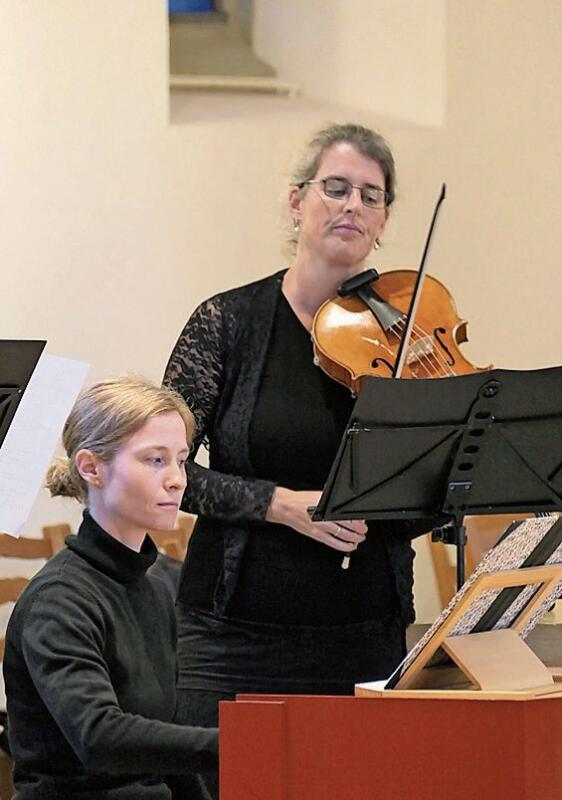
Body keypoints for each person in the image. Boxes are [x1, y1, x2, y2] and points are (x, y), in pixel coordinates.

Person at [164, 123, 432, 795]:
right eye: (335, 188)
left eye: (371, 196)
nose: (352, 206)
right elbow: (163, 468)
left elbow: (433, 488)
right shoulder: (226, 323)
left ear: (384, 221)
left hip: (365, 638)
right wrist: (280, 505)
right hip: (233, 641)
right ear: (296, 202)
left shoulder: (408, 338)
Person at [3, 376, 218, 800]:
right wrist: (243, 743)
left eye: (181, 459)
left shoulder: (159, 585)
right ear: (91, 467)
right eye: (155, 460)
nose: (177, 479)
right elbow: (99, 736)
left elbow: (169, 744)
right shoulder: (60, 600)